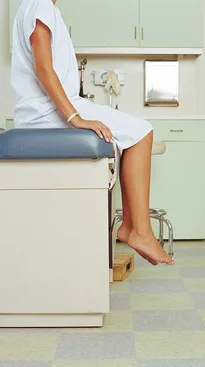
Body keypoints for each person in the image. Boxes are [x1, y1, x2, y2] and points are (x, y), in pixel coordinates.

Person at [11, 0, 174, 266]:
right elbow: (43, 68)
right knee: (142, 131)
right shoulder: (40, 4)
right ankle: (140, 232)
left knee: (135, 133)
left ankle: (131, 228)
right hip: (47, 114)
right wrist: (75, 117)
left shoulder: (38, 6)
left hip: (43, 112)